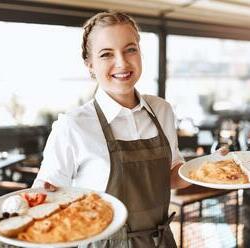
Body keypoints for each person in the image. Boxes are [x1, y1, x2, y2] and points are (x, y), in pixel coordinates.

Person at [32, 11, 189, 247]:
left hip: (161, 242)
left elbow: (171, 175)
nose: (122, 62)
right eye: (106, 54)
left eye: (130, 49)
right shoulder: (73, 125)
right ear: (90, 65)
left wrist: (210, 168)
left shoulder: (162, 110)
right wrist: (46, 195)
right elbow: (43, 198)